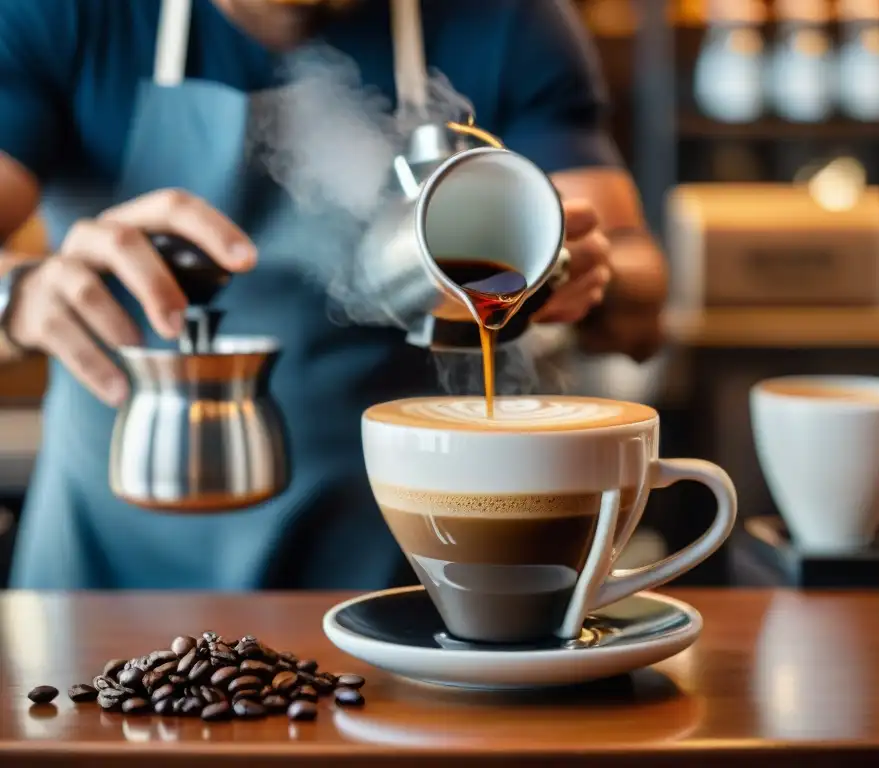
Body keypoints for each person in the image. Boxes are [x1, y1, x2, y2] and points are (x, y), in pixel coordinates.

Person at [0, 0, 668, 590]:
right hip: (110, 559)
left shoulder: (507, 18)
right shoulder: (63, 13)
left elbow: (640, 297)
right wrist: (19, 294)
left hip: (395, 550)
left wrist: (589, 275)